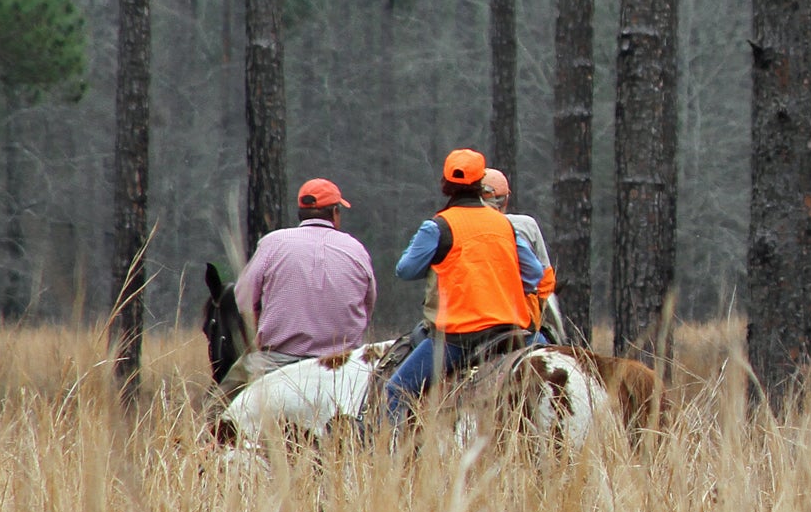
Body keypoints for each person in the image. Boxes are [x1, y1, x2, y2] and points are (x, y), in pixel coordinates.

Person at [388, 149, 544, 402]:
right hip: (512, 332)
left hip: (457, 339)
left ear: (445, 185)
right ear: (480, 183)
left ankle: (394, 441)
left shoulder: (437, 227)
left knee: (396, 391)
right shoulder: (504, 225)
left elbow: (405, 270)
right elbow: (534, 274)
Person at [223, 177, 378, 394]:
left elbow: (243, 299)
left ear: (300, 214)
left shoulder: (272, 243)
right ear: (335, 213)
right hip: (341, 369)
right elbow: (367, 307)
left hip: (275, 363)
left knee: (215, 412)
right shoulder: (356, 249)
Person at [479, 167, 570, 342]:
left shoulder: (453, 226)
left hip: (467, 325)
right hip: (520, 324)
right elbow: (544, 282)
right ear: (505, 200)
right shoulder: (527, 226)